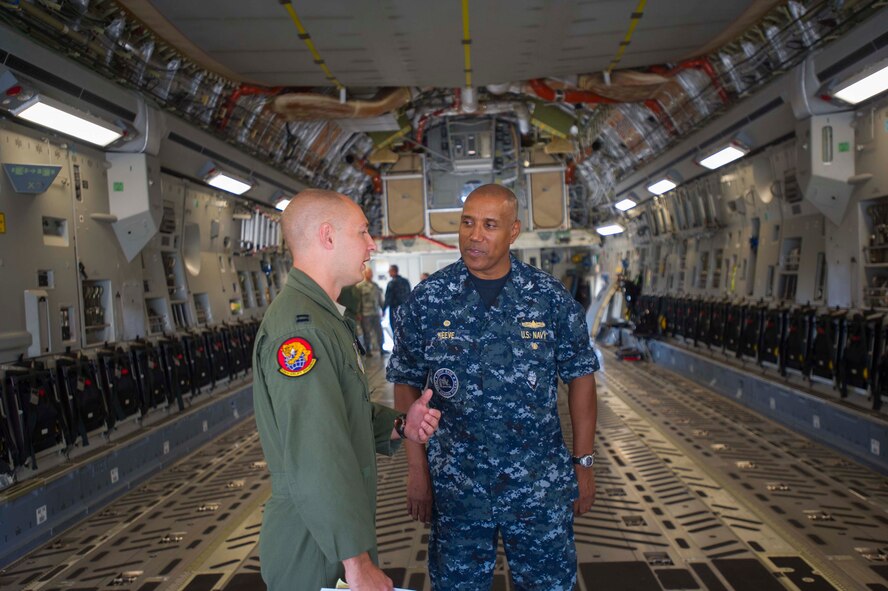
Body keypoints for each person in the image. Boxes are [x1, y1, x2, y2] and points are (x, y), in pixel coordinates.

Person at [387, 184, 599, 590]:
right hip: (457, 489)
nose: (475, 235)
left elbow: (581, 378)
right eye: (467, 223)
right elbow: (406, 381)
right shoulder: (429, 300)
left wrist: (583, 463)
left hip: (538, 487)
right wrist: (417, 470)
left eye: (489, 225)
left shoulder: (548, 299)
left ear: (514, 232)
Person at [252, 189, 441, 591]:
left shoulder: (325, 318)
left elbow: (343, 413)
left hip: (334, 531)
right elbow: (315, 449)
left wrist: (403, 424)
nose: (372, 245)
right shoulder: (301, 332)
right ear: (327, 236)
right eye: (363, 232)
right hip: (315, 544)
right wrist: (355, 561)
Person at [356, 267, 385, 355]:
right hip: (365, 313)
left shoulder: (375, 285)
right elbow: (358, 301)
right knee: (367, 333)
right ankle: (368, 350)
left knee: (379, 332)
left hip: (376, 312)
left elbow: (379, 298)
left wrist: (382, 308)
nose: (371, 275)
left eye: (371, 273)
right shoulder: (360, 287)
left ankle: (381, 348)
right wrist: (358, 313)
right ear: (365, 274)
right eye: (369, 273)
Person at [383, 265, 411, 338]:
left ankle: (398, 348)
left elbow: (388, 298)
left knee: (396, 330)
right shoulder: (406, 281)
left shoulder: (391, 283)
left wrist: (383, 309)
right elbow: (410, 295)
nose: (389, 273)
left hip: (395, 310)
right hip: (405, 310)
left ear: (393, 271)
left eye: (389, 271)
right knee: (405, 329)